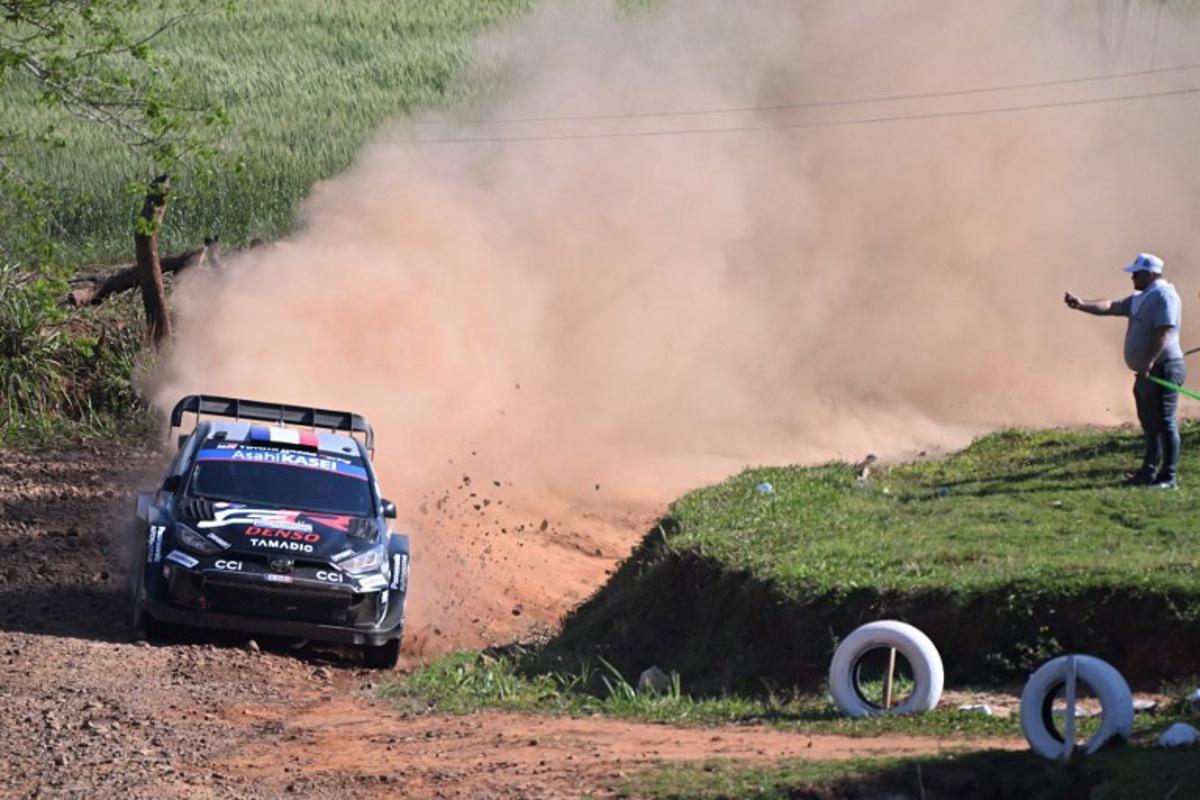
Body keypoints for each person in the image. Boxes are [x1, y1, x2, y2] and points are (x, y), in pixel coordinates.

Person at [1064, 253, 1185, 488]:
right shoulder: (1142, 297)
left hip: (1163, 368)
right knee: (1150, 424)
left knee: (1166, 423)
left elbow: (1164, 331)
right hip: (1147, 372)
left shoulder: (1164, 294)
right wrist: (1081, 304)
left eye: (1136, 273)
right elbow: (1112, 306)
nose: (1132, 277)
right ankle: (1148, 473)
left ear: (1150, 274)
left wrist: (1149, 361)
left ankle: (1168, 478)